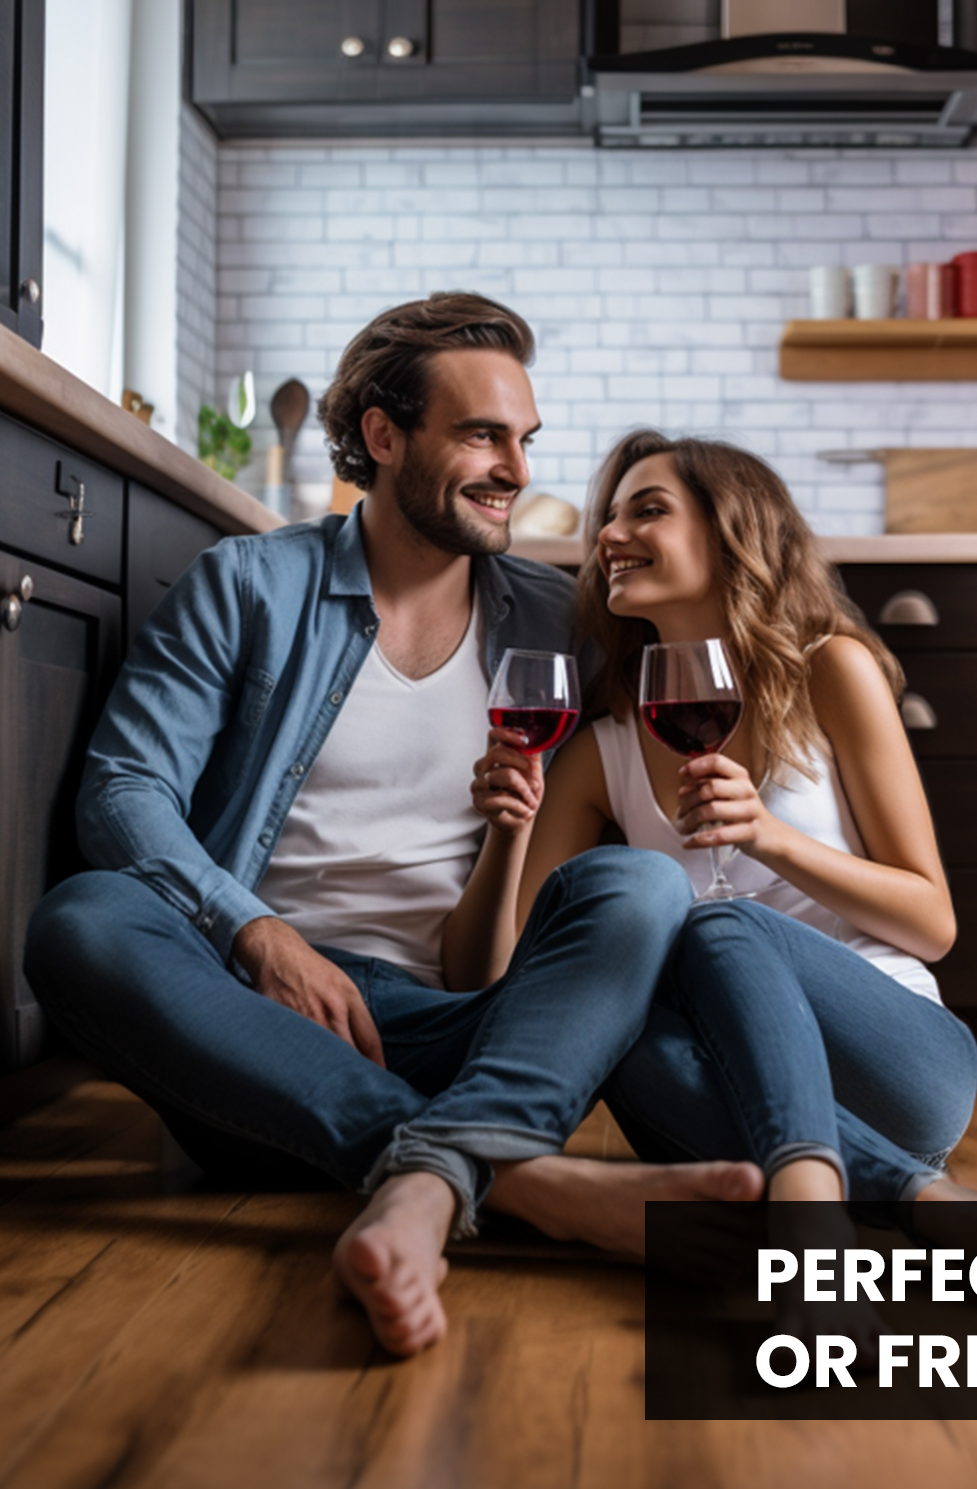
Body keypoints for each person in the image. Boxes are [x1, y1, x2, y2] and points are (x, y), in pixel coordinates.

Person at [24, 300, 760, 1361]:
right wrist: (255, 934)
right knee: (81, 921)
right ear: (382, 435)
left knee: (636, 890)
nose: (514, 468)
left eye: (524, 440)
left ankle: (426, 1173)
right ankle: (513, 1174)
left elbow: (706, 643)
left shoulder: (551, 621)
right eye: (481, 435)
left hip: (470, 1028)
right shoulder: (251, 585)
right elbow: (124, 788)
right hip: (255, 1032)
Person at [448, 430, 977, 1224]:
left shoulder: (829, 672)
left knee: (715, 929)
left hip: (898, 1060)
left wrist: (770, 838)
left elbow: (932, 921)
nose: (608, 535)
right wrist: (506, 832)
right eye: (608, 516)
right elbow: (501, 982)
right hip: (730, 1104)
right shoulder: (602, 750)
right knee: (614, 1033)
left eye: (648, 510)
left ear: (730, 529)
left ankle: (831, 1196)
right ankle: (893, 1198)